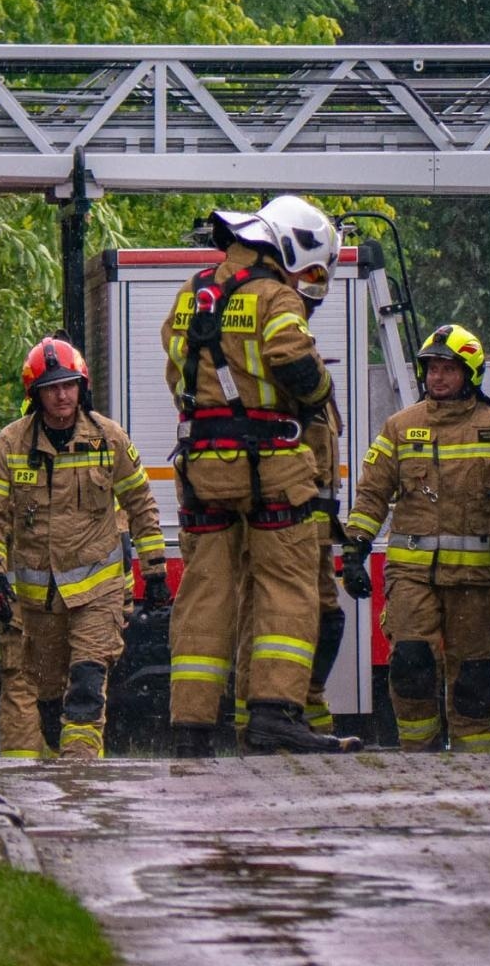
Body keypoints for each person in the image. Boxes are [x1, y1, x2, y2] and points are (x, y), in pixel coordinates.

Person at [163, 195, 354, 757]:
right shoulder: (276, 296)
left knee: (205, 594)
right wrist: (320, 393)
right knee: (285, 587)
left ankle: (192, 729)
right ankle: (273, 715)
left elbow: (177, 371)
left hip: (203, 466)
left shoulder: (191, 296)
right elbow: (292, 357)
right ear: (291, 247)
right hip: (273, 466)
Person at [341, 323, 490, 753]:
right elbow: (372, 493)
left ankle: (476, 764)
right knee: (411, 664)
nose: (436, 377)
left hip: (472, 581)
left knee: (473, 677)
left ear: (470, 373)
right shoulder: (401, 426)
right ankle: (419, 757)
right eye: (431, 368)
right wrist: (354, 549)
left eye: (447, 369)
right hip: (411, 576)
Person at [0, 336, 168, 759]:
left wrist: (156, 569)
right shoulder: (11, 444)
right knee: (49, 696)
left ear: (82, 386)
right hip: (38, 604)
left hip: (98, 595)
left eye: (69, 384)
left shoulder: (108, 439)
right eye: (52, 387)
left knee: (87, 688)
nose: (62, 394)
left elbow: (141, 505)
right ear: (35, 394)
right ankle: (56, 765)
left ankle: (81, 777)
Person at [231, 269, 348, 746]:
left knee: (317, 621)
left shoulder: (315, 397)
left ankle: (304, 720)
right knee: (269, 619)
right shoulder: (288, 400)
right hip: (288, 524)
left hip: (312, 531)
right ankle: (263, 723)